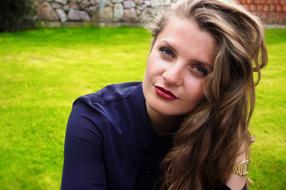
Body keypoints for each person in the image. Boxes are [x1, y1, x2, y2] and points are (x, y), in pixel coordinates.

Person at [61, 0, 268, 189]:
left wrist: (239, 156)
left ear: (221, 84)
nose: (171, 76)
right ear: (151, 47)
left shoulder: (217, 130)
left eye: (199, 69)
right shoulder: (94, 119)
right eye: (167, 52)